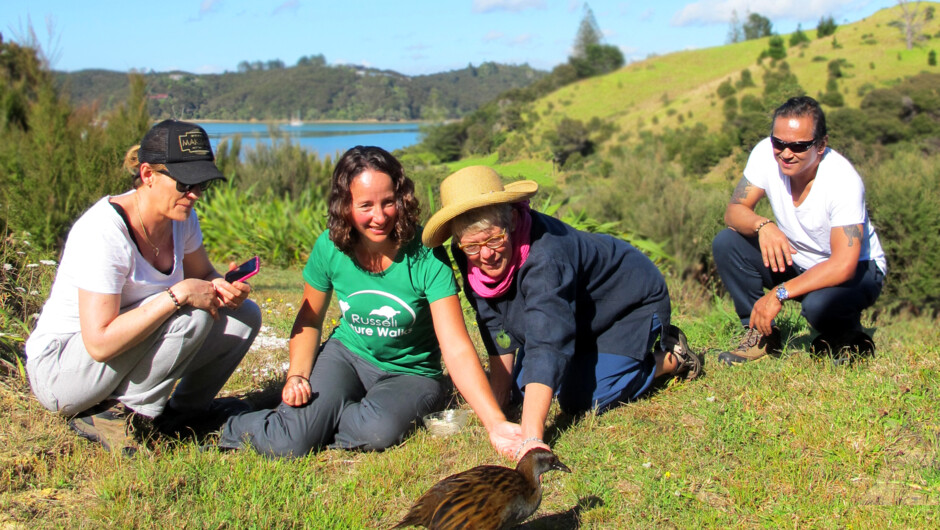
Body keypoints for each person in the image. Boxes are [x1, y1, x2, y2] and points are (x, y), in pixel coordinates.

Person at [220, 146, 520, 458]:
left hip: (412, 373)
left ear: (401, 199)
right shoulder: (330, 247)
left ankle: (314, 422)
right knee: (287, 445)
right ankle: (230, 421)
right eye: (365, 205)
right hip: (347, 356)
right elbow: (309, 320)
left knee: (378, 432)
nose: (380, 216)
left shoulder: (426, 254)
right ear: (345, 206)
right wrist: (297, 374)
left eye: (388, 202)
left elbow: (456, 346)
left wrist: (495, 422)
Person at [422, 166, 704, 460]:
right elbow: (494, 323)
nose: (486, 254)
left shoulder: (546, 256)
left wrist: (531, 437)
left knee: (583, 397)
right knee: (525, 389)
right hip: (577, 314)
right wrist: (499, 403)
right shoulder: (469, 252)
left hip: (627, 303)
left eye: (494, 239)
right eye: (472, 246)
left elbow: (547, 341)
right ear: (458, 242)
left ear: (513, 219)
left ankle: (670, 358)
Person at [25, 120, 262, 455]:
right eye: (184, 183)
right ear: (148, 174)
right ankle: (122, 417)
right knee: (192, 314)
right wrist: (177, 295)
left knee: (244, 315)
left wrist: (221, 286)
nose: (194, 194)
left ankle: (183, 416)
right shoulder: (104, 232)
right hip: (63, 372)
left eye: (202, 182)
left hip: (118, 354)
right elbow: (100, 343)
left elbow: (204, 273)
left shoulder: (181, 217)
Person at [712, 96, 887, 365]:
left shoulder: (842, 180)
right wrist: (763, 225)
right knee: (727, 243)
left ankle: (846, 336)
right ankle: (759, 333)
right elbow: (734, 212)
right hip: (798, 261)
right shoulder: (764, 154)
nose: (785, 152)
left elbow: (843, 265)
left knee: (818, 307)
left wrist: (779, 293)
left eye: (799, 146)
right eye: (778, 143)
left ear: (821, 145)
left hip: (858, 269)